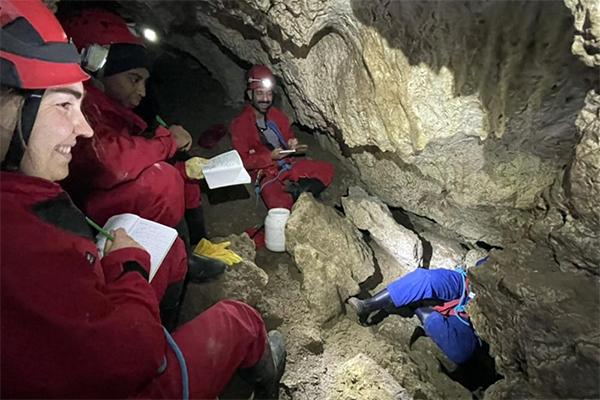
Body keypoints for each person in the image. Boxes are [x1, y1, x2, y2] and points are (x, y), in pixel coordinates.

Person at [0, 1, 285, 398]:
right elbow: (130, 353)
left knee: (170, 252)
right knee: (240, 320)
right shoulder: (22, 244)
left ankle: (175, 303)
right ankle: (258, 382)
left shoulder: (24, 199)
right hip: (122, 365)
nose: (81, 127)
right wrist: (128, 265)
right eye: (63, 104)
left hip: (99, 336)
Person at [59, 8, 208, 246]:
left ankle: (198, 244)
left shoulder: (105, 107)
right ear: (96, 66)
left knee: (182, 168)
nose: (142, 91)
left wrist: (165, 140)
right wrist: (167, 141)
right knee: (162, 181)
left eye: (145, 81)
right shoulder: (75, 107)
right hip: (80, 206)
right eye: (134, 79)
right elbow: (111, 161)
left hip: (100, 191)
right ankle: (166, 258)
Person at [230, 65, 335, 210]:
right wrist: (269, 157)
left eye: (269, 94)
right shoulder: (240, 124)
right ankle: (300, 194)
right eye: (260, 94)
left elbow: (287, 136)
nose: (265, 99)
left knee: (326, 170)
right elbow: (243, 160)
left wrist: (291, 143)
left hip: (287, 164)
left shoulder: (277, 115)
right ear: (250, 95)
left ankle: (297, 193)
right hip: (266, 172)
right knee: (278, 205)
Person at [348, 267, 481, 365]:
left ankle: (417, 306)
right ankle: (368, 306)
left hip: (470, 318)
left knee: (462, 353)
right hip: (466, 286)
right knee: (428, 279)